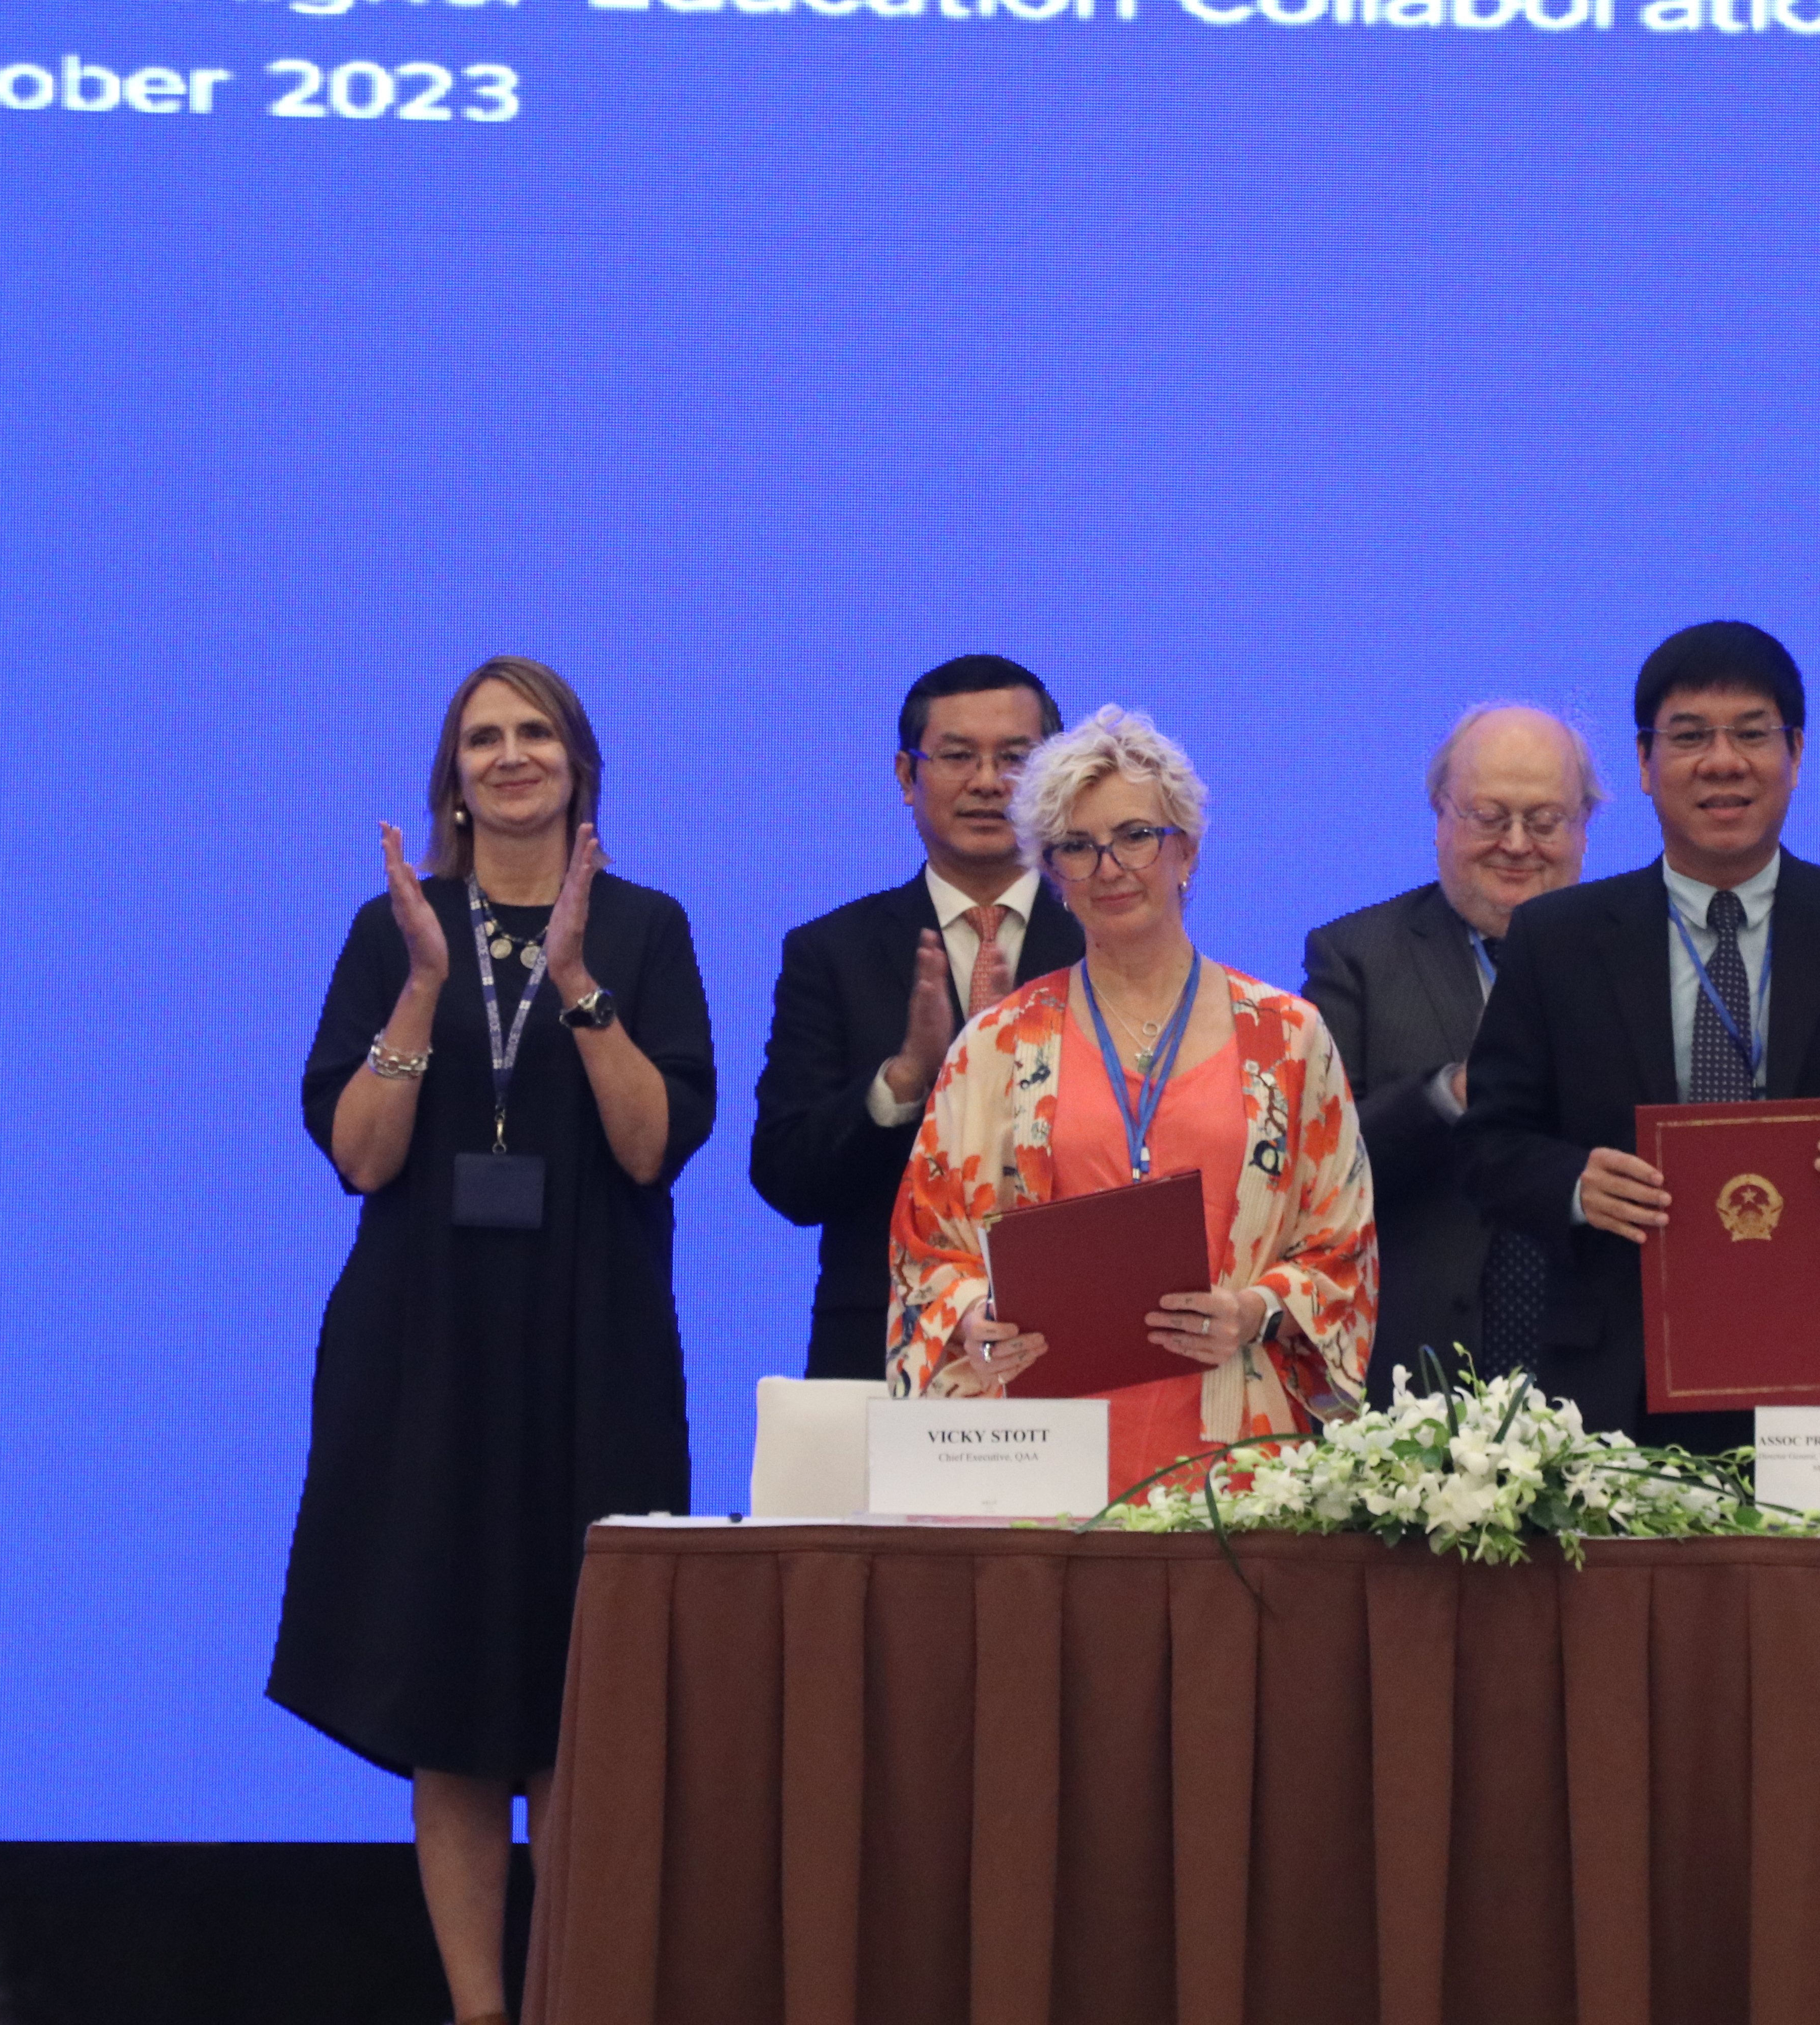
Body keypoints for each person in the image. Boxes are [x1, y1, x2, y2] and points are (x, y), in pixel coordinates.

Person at [273, 656, 714, 2025]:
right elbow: (360, 1157)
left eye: (535, 734)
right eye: (482, 739)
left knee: (582, 1692)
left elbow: (649, 1150)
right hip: (426, 1354)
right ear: (451, 776)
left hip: (593, 1348)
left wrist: (576, 984)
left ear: (579, 765)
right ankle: (480, 2012)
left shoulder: (645, 927)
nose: (510, 757)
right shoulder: (387, 929)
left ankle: (575, 1994)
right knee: (446, 1689)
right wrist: (418, 987)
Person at [1458, 622, 1820, 1448]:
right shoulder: (1557, 940)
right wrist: (1573, 1185)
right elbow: (1490, 1145)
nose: (1723, 762)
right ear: (1643, 763)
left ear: (1797, 753)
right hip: (1617, 1384)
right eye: (1690, 737)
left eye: (1751, 734)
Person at [888, 706, 1376, 1492]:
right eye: (1076, 847)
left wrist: (1255, 1309)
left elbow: (1343, 1246)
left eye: (1136, 836)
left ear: (1186, 848)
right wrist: (975, 1319)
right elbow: (925, 1249)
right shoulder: (995, 1044)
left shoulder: (1289, 1037)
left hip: (1241, 1458)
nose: (1108, 866)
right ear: (1051, 874)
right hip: (1040, 1461)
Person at [751, 655, 1087, 1381]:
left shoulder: (1107, 948)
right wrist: (904, 1079)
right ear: (907, 777)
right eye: (958, 757)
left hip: (1076, 1347)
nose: (988, 783)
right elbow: (786, 1179)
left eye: (1016, 759)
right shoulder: (830, 953)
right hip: (881, 1350)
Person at [1302, 704, 1604, 1384]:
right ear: (1441, 812)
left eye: (1546, 821)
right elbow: (1316, 1175)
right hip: (1417, 1380)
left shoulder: (1638, 954)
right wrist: (1449, 1095)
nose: (1518, 844)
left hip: (1597, 1368)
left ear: (1586, 822)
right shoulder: (1356, 958)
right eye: (1490, 818)